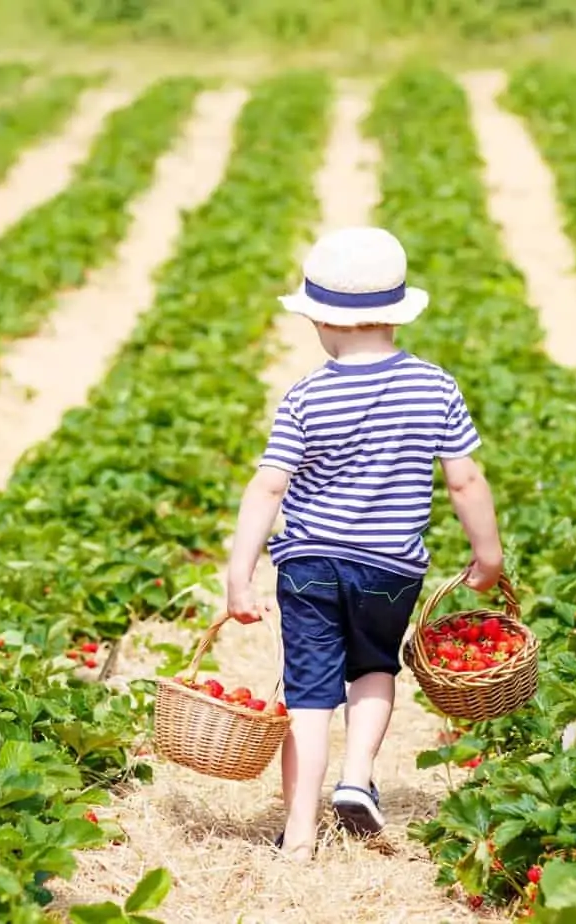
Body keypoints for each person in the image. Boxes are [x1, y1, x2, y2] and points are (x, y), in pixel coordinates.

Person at [224, 226, 504, 862]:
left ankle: (298, 833)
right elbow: (464, 479)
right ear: (397, 316)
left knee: (309, 693)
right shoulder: (434, 387)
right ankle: (356, 778)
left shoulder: (306, 395)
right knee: (374, 670)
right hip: (390, 567)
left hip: (309, 565)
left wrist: (240, 572)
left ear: (320, 319)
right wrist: (488, 556)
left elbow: (268, 489)